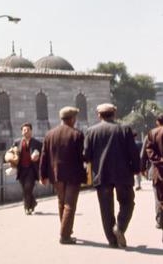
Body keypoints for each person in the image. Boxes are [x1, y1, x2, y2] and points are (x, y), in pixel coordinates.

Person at [83, 102, 140, 248]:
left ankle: (112, 240)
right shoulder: (125, 129)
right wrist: (136, 169)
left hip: (102, 175)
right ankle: (120, 227)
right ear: (114, 114)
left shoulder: (91, 131)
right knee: (128, 202)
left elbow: (87, 155)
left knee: (106, 208)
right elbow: (133, 153)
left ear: (99, 115)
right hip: (123, 174)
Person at [39, 106, 86, 244]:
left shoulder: (50, 134)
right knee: (70, 204)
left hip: (56, 174)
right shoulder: (77, 134)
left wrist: (42, 174)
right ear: (72, 119)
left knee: (61, 202)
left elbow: (44, 156)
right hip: (73, 174)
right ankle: (65, 235)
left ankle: (66, 229)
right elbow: (82, 156)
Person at [13, 123, 42, 215]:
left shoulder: (37, 143)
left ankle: (27, 208)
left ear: (31, 131)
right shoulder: (17, 142)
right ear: (22, 132)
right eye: (24, 130)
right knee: (25, 189)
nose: (26, 132)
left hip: (31, 169)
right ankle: (32, 203)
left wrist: (38, 156)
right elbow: (12, 153)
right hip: (21, 169)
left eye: (28, 130)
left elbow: (43, 154)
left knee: (28, 187)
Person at [144, 113, 163, 241]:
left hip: (160, 172)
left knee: (160, 199)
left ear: (157, 121)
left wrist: (159, 160)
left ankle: (160, 220)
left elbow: (149, 151)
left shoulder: (153, 133)